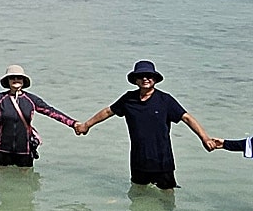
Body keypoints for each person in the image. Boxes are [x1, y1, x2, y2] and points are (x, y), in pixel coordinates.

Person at [76, 59, 216, 190]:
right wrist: (86, 125)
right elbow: (108, 111)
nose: (145, 79)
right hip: (138, 160)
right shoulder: (128, 99)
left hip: (162, 160)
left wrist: (205, 138)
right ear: (135, 80)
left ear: (155, 79)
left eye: (149, 75)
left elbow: (186, 118)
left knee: (167, 197)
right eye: (141, 76)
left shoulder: (165, 100)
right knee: (138, 194)